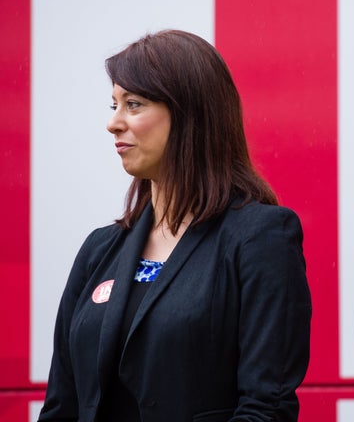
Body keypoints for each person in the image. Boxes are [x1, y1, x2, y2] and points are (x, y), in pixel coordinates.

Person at [39, 30, 312, 422]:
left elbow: (266, 407)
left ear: (189, 115)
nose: (113, 124)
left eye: (133, 104)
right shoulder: (100, 249)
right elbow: (61, 405)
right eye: (114, 105)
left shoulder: (260, 238)